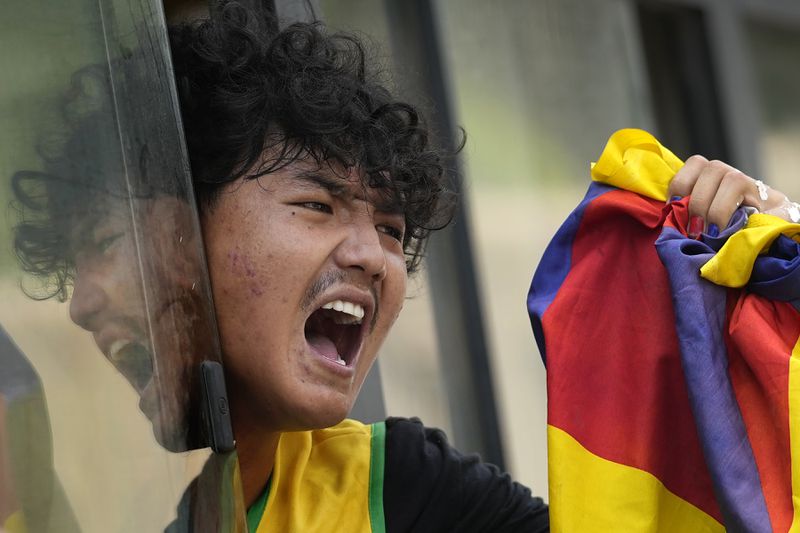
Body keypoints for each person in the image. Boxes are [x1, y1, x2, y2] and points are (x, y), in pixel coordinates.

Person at [11, 1, 798, 531]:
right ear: (179, 244)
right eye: (316, 207)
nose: (372, 256)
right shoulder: (52, 472)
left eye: (391, 228)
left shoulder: (397, 487)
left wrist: (781, 267)